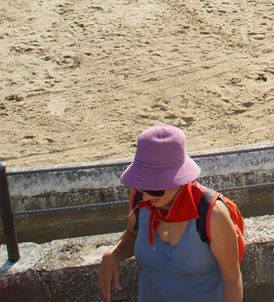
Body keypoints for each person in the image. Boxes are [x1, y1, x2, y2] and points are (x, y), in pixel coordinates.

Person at [97, 124, 243, 302]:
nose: (148, 195)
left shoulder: (213, 214)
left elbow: (232, 280)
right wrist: (113, 254)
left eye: (156, 189)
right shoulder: (140, 199)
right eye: (143, 185)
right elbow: (133, 235)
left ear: (179, 179)